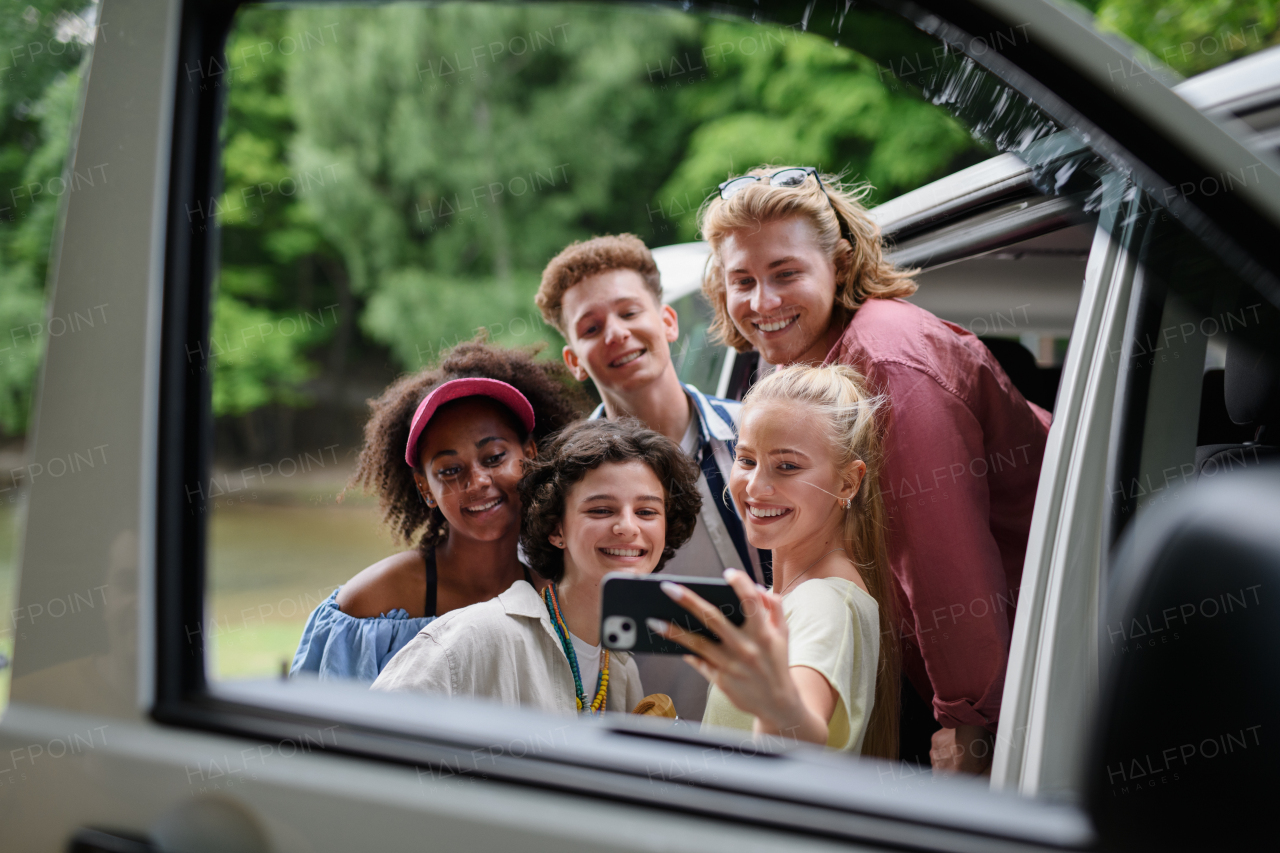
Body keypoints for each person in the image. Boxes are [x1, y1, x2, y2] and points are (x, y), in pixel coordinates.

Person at [698, 166, 1052, 772]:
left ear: (839, 261)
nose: (763, 302)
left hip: (1039, 654)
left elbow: (945, 557)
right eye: (742, 281)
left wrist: (974, 724)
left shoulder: (889, 360)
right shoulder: (791, 368)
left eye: (786, 273)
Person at [536, 233, 763, 720]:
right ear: (573, 360)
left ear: (667, 320)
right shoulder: (559, 483)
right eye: (591, 327)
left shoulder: (754, 437)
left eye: (629, 312)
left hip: (759, 724)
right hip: (633, 736)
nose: (615, 332)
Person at [291, 340, 587, 682]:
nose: (476, 481)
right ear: (424, 488)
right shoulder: (373, 603)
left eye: (494, 458)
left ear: (530, 455)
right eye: (449, 470)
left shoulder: (556, 597)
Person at [371, 418, 703, 715]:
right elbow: (361, 746)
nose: (628, 527)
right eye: (601, 510)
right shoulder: (475, 638)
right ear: (557, 529)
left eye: (647, 512)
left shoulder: (619, 668)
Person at [651, 364, 899, 756]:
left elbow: (798, 736)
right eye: (746, 460)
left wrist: (775, 705)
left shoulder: (824, 603)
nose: (754, 486)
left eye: (787, 466)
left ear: (848, 482)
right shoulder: (799, 594)